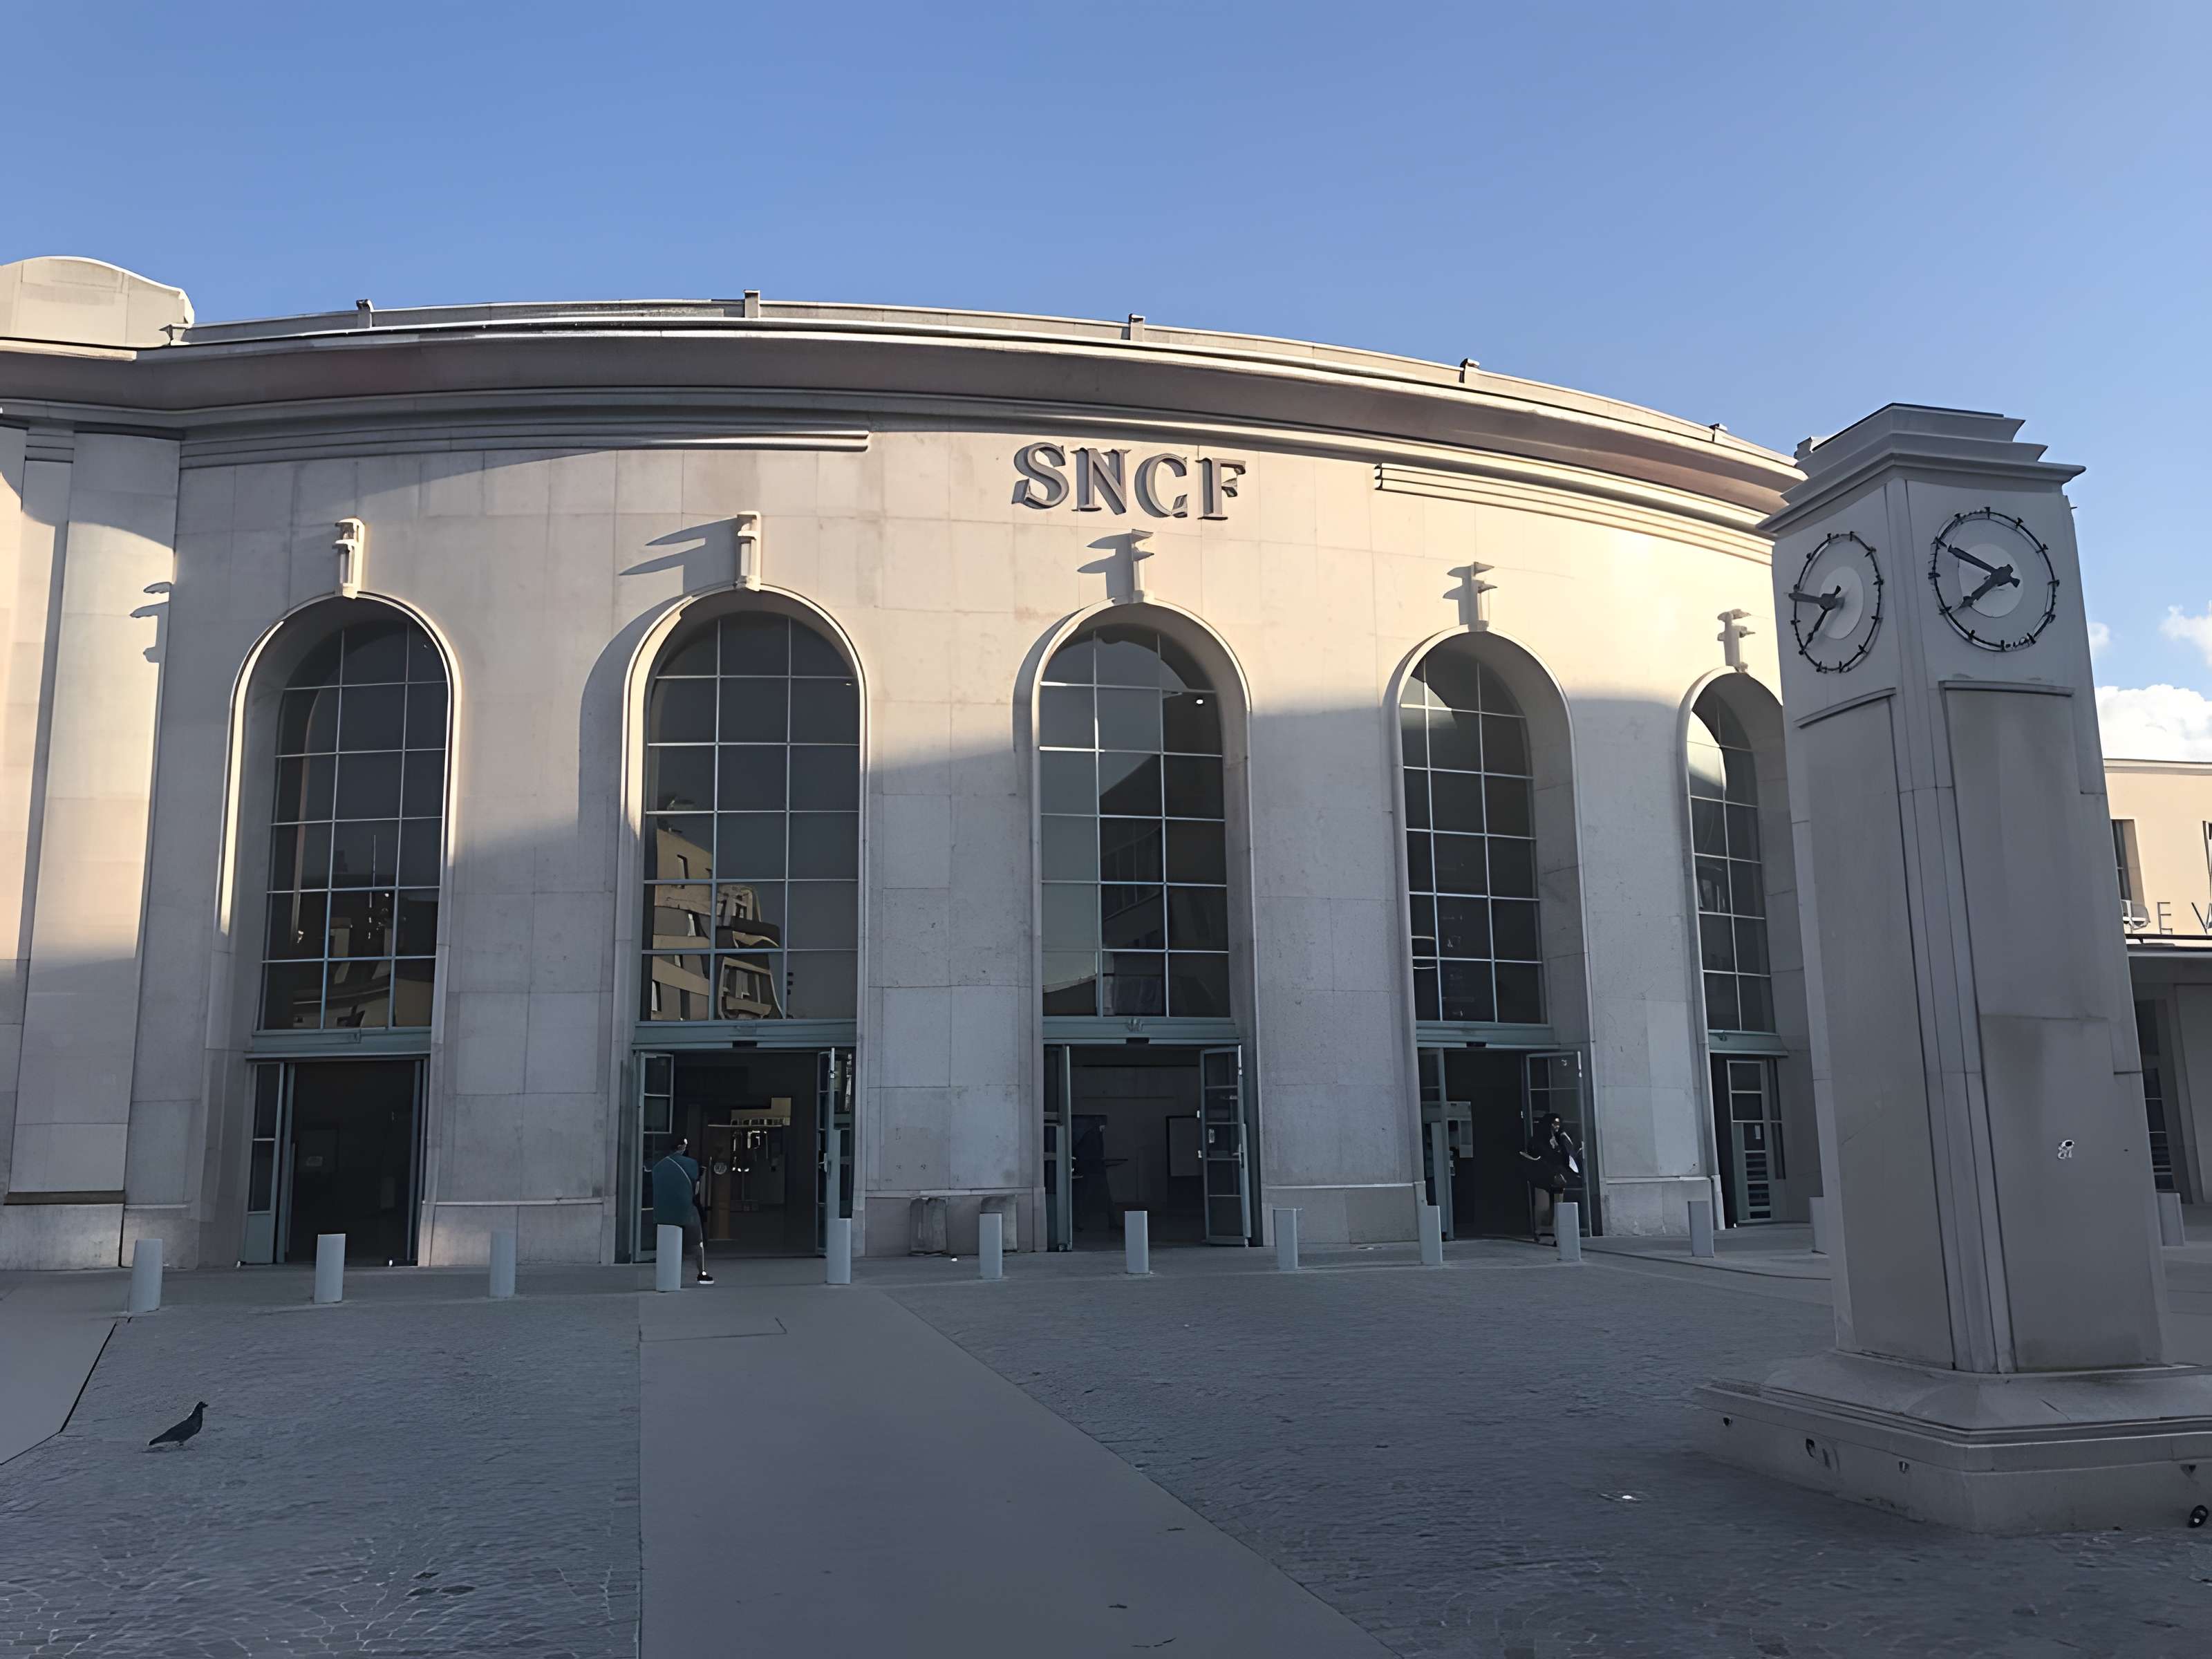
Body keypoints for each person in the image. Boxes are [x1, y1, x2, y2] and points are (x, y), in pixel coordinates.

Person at [651, 1135, 713, 1284]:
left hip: (663, 1212)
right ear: (682, 1147)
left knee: (668, 1243)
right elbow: (696, 1189)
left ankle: (668, 1274)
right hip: (686, 1209)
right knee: (697, 1242)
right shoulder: (691, 1164)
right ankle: (702, 1273)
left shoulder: (658, 1165)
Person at [1520, 1112, 1581, 1244]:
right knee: (1543, 1206)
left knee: (1558, 1206)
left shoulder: (1560, 1139)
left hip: (1558, 1176)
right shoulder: (1538, 1140)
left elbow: (1566, 1154)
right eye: (1554, 1123)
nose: (1557, 1126)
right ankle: (1540, 1232)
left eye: (1558, 1124)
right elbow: (1537, 1155)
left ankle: (1555, 1232)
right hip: (1542, 1176)